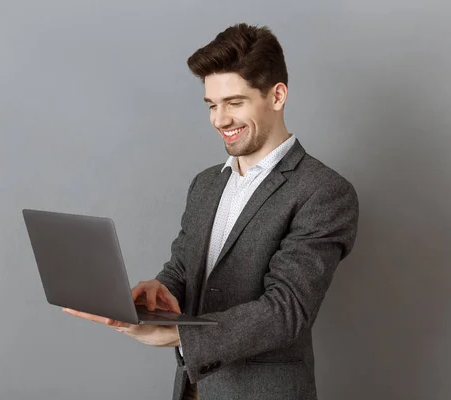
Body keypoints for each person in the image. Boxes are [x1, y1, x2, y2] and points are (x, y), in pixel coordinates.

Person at [63, 22, 359, 400]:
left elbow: (287, 311)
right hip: (193, 389)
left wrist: (179, 335)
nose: (220, 120)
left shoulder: (324, 191)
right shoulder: (206, 184)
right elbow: (184, 270)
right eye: (212, 105)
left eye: (235, 103)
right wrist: (159, 292)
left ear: (277, 95)